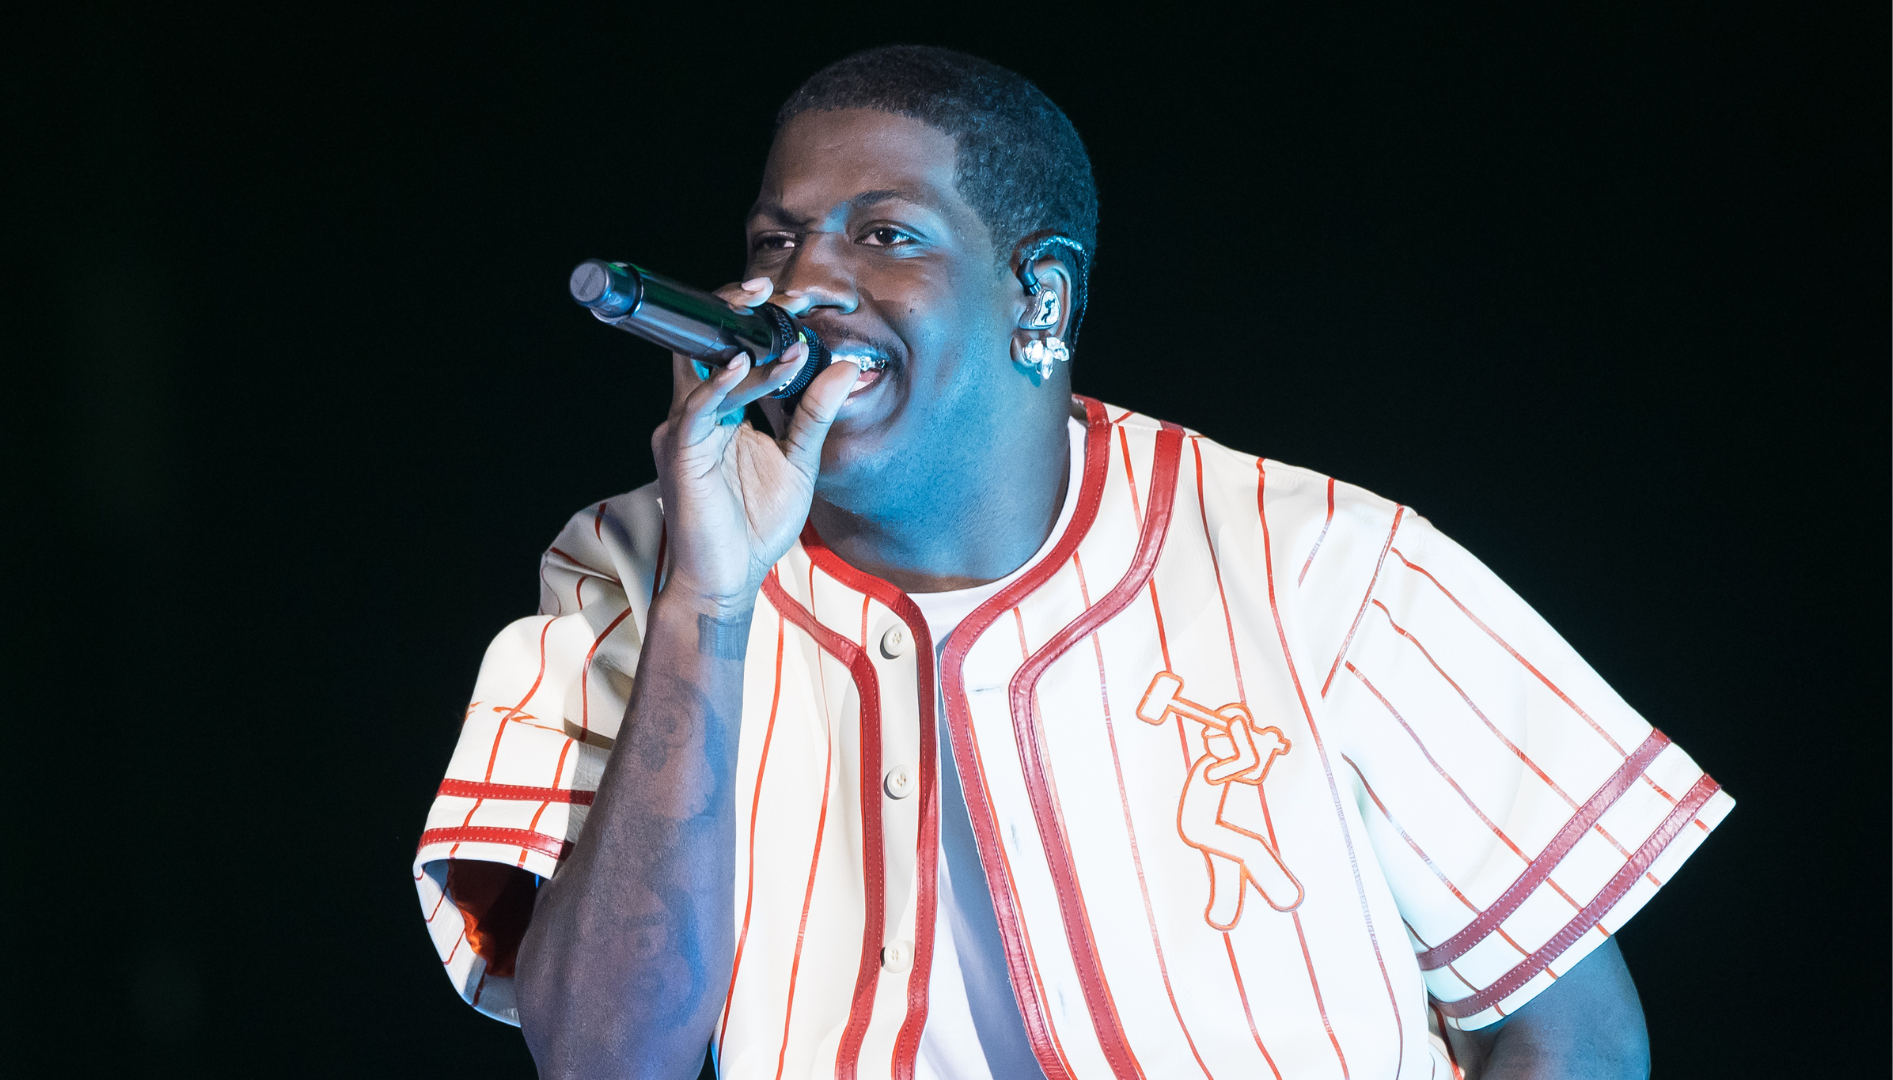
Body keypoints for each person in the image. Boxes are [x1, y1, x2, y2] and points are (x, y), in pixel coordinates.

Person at [412, 46, 1730, 1080]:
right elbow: (601, 1063)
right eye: (776, 240)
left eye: (887, 234)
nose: (808, 279)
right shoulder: (631, 570)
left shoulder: (1327, 562)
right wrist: (711, 600)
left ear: (1039, 301)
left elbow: (1578, 1040)